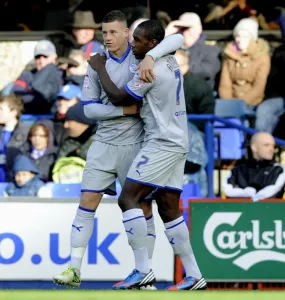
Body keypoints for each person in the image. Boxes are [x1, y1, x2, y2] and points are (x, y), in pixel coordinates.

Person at [53, 10, 184, 289]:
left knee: (140, 206)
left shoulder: (140, 57)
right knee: (86, 204)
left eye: (114, 32)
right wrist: (123, 111)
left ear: (128, 34)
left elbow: (177, 38)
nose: (108, 38)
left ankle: (144, 274)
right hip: (102, 144)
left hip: (135, 144)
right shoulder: (95, 63)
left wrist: (150, 56)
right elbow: (89, 108)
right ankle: (73, 270)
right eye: (104, 33)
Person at [89, 19, 206, 291]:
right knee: (168, 209)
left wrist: (100, 67)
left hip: (162, 142)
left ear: (152, 42)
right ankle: (194, 275)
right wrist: (151, 55)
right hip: (178, 140)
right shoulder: (166, 57)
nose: (133, 43)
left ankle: (142, 270)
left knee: (128, 198)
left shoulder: (149, 73)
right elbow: (177, 37)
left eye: (138, 40)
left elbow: (118, 98)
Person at [223, 132, 285, 201]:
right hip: (240, 209)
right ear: (254, 147)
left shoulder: (278, 170)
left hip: (269, 210)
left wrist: (253, 196)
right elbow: (228, 190)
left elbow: (272, 190)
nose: (271, 149)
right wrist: (247, 193)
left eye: (273, 146)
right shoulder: (238, 170)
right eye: (266, 145)